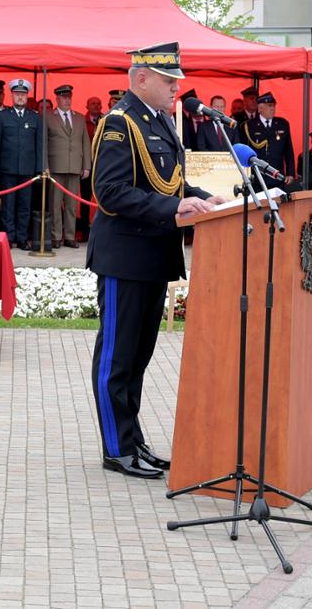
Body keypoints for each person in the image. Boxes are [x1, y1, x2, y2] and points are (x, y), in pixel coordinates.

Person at [87, 42, 221, 479]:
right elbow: (111, 192)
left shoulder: (160, 122)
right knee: (117, 357)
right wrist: (173, 211)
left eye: (177, 82)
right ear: (141, 78)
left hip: (152, 257)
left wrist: (204, 199)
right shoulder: (118, 124)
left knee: (138, 357)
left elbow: (169, 183)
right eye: (168, 81)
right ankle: (116, 447)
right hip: (125, 256)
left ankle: (133, 439)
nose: (175, 90)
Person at [0, 78, 44, 251]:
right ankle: (9, 237)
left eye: (23, 94)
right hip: (8, 169)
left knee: (24, 206)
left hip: (28, 170)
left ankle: (21, 238)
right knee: (8, 206)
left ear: (27, 96)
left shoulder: (35, 117)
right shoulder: (3, 117)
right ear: (11, 95)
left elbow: (40, 146)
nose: (20, 97)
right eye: (17, 94)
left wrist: (39, 168)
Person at [46, 84, 91, 248]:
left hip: (74, 167)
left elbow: (85, 142)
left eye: (69, 97)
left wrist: (86, 166)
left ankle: (70, 236)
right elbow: (44, 143)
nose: (67, 100)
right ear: (57, 98)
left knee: (72, 205)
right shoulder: (48, 116)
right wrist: (45, 165)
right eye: (64, 97)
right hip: (55, 167)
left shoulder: (79, 117)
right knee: (55, 204)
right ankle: (56, 236)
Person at [239, 92, 296, 183]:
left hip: (277, 175)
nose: (272, 109)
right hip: (257, 176)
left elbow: (288, 151)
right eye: (269, 106)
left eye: (273, 106)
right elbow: (244, 151)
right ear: (260, 108)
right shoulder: (249, 125)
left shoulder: (282, 124)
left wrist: (291, 173)